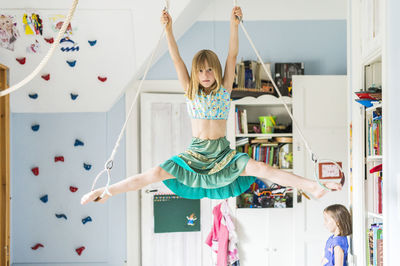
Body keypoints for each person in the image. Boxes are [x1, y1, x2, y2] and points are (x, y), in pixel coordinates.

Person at [81, 6, 342, 205]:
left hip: (222, 154)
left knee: (262, 168)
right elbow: (176, 60)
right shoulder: (190, 91)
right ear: (195, 74)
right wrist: (169, 30)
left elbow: (232, 55)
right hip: (195, 154)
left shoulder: (225, 89)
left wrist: (234, 25)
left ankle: (311, 185)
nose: (205, 74)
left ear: (216, 71)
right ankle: (106, 191)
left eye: (209, 70)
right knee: (157, 172)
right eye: (200, 71)